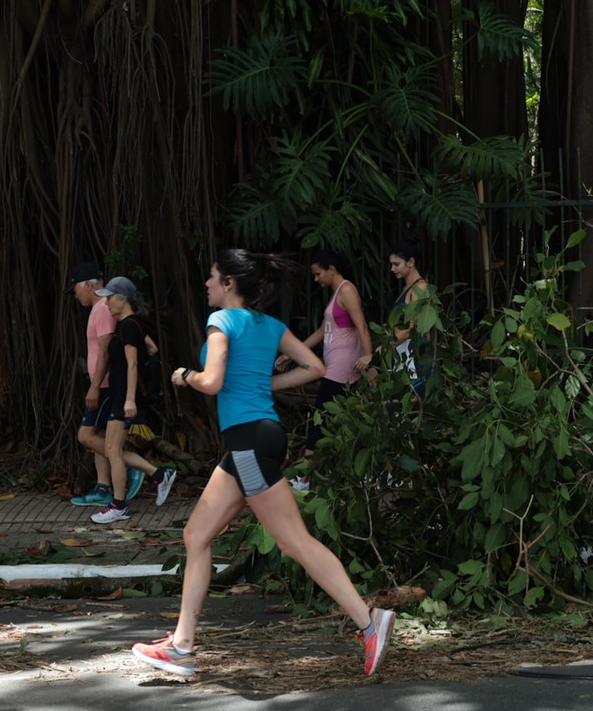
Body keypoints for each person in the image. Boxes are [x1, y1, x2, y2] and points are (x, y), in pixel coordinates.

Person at [131, 249, 394, 678]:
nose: (207, 284)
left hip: (249, 443)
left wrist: (186, 377)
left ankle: (369, 622)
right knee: (196, 534)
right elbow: (315, 367)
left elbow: (212, 381)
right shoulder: (269, 326)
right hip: (252, 441)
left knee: (294, 542)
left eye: (212, 277)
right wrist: (264, 382)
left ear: (230, 283)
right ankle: (181, 645)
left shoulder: (221, 322)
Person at [88, 277, 179, 524]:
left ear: (122, 298)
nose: (106, 303)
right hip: (121, 396)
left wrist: (130, 400)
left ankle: (119, 505)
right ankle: (159, 476)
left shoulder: (128, 326)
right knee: (111, 448)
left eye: (109, 298)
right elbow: (152, 348)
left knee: (112, 450)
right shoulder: (131, 325)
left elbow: (133, 363)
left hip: (124, 398)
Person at [68, 263, 156, 507]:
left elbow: (111, 354)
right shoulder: (118, 316)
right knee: (103, 440)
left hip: (108, 387)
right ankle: (106, 487)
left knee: (91, 437)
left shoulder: (108, 313)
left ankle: (132, 473)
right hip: (110, 386)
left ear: (87, 285)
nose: (75, 295)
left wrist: (97, 386)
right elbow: (146, 344)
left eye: (76, 289)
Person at [289, 250, 374, 490]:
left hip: (343, 367)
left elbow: (362, 326)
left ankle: (304, 479)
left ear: (331, 269)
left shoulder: (347, 291)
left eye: (318, 274)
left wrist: (370, 358)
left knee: (320, 420)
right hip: (336, 366)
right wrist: (291, 352)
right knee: (343, 420)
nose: (316, 279)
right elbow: (320, 331)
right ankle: (363, 474)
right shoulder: (336, 294)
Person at [385, 241, 430, 396]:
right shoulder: (406, 288)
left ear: (411, 262)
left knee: (415, 405)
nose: (392, 269)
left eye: (396, 264)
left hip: (415, 356)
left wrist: (381, 350)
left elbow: (411, 329)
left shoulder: (420, 287)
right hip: (403, 354)